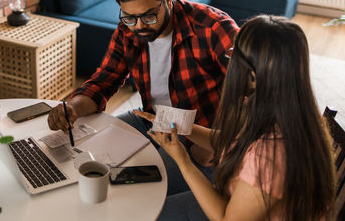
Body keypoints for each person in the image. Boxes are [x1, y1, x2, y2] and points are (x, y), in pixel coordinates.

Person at [47, 0, 239, 195]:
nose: (139, 26)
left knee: (141, 191)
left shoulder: (212, 27)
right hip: (152, 118)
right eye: (129, 17)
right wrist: (72, 108)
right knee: (86, 158)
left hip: (201, 134)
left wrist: (217, 141)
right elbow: (103, 82)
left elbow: (256, 95)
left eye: (149, 16)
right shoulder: (128, 30)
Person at [136, 15, 336, 220]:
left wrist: (182, 159)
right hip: (232, 196)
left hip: (227, 210)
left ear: (253, 77)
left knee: (148, 213)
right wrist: (177, 123)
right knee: (151, 199)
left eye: (234, 56)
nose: (230, 63)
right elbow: (231, 144)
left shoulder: (270, 155)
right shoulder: (286, 109)